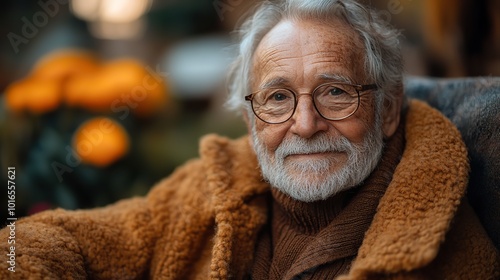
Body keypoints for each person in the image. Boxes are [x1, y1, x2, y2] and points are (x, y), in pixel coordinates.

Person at [1, 0, 499, 279]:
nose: (305, 125)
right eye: (278, 98)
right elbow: (49, 242)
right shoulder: (209, 191)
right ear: (249, 119)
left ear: (387, 110)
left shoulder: (446, 252)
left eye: (335, 92)